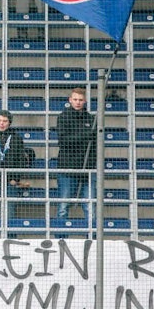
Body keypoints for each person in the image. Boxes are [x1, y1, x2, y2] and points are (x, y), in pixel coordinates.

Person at [55, 87, 97, 221]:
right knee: (63, 206)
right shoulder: (63, 117)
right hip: (67, 168)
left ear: (84, 101)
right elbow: (63, 141)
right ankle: (61, 239)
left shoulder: (91, 119)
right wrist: (85, 136)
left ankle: (92, 239)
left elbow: (95, 144)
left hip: (87, 170)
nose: (78, 102)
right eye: (75, 99)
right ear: (70, 100)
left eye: (80, 100)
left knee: (90, 207)